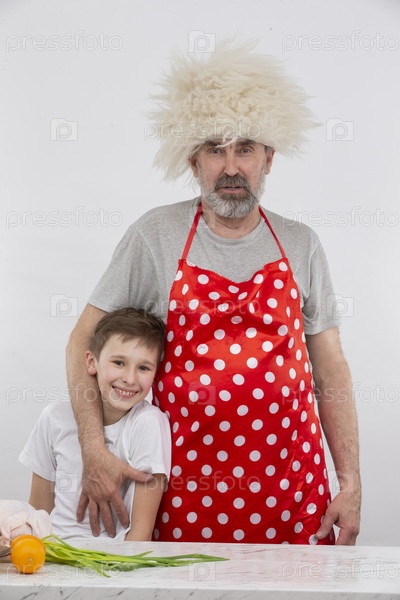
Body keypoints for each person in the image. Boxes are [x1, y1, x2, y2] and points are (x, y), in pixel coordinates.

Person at [67, 40, 361, 545]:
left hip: (293, 494)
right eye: (214, 149)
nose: (230, 167)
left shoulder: (301, 244)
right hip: (181, 494)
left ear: (269, 159)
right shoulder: (154, 236)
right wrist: (94, 449)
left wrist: (351, 482)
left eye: (245, 148)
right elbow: (82, 343)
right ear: (192, 161)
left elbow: (330, 367)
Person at [19, 308, 171, 541]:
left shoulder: (148, 423)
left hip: (113, 560)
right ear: (91, 362)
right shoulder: (54, 417)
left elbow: (140, 535)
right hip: (53, 554)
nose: (130, 379)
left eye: (143, 368)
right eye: (118, 362)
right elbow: (38, 513)